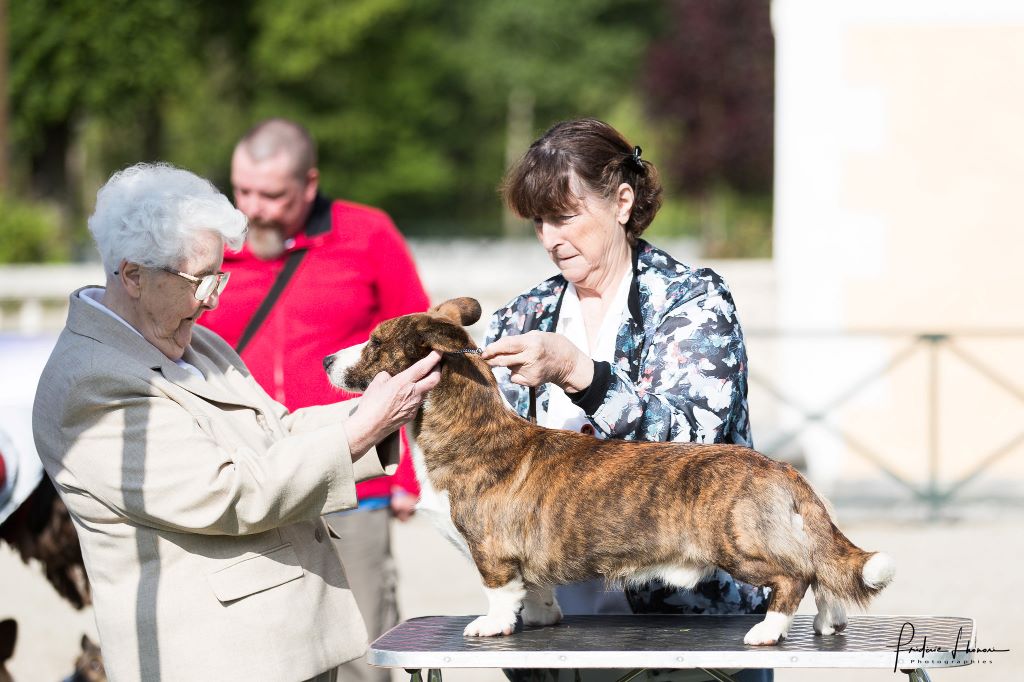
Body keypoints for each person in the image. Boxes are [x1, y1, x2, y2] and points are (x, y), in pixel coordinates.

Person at [32, 163, 441, 682]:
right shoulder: (87, 385)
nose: (214, 298)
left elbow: (275, 432)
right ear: (132, 274)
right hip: (219, 661)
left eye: (219, 276)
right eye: (200, 280)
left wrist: (381, 410)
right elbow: (227, 493)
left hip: (285, 648)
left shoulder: (190, 337)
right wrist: (359, 431)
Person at [481, 118, 771, 682]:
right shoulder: (526, 312)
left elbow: (692, 449)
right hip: (558, 625)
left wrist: (578, 371)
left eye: (565, 217)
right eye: (538, 222)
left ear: (621, 201)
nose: (550, 239)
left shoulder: (692, 300)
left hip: (691, 623)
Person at [199, 119, 429, 682]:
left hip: (356, 481)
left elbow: (419, 350)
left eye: (273, 195)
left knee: (359, 654)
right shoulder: (208, 245)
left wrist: (407, 474)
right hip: (248, 482)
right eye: (243, 191)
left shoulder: (368, 234)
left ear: (309, 183)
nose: (254, 209)